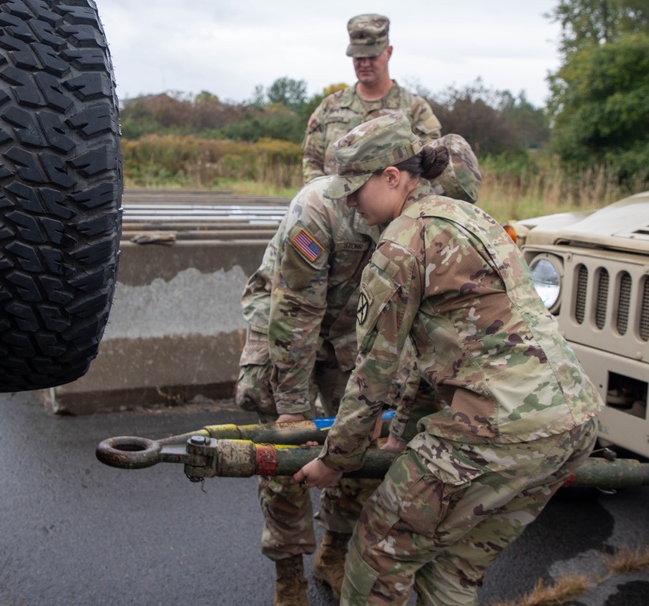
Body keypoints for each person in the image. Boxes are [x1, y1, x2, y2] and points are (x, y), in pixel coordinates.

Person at [293, 113, 604, 605]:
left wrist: (337, 460)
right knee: (451, 570)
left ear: (393, 177)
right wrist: (401, 438)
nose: (349, 202)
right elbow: (428, 361)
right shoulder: (474, 220)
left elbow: (373, 376)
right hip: (573, 425)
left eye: (355, 188)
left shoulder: (401, 244)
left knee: (378, 553)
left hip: (497, 431)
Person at [237, 134, 481, 605]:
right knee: (286, 449)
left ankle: (333, 551)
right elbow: (295, 314)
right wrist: (292, 409)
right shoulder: (321, 209)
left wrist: (389, 413)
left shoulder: (428, 219)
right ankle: (288, 576)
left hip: (357, 331)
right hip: (284, 324)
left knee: (365, 445)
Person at [302, 13, 442, 183]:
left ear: (388, 52)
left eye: (372, 56)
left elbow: (431, 166)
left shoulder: (415, 109)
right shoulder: (330, 107)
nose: (365, 64)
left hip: (397, 209)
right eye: (359, 58)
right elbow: (311, 161)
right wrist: (323, 197)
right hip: (334, 204)